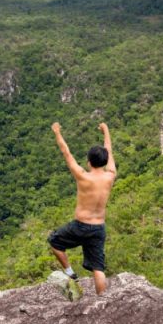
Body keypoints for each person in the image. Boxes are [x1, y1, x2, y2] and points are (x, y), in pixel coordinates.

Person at [48, 122, 116, 296]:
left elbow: (66, 152)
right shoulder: (110, 176)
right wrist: (106, 130)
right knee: (98, 268)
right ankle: (102, 300)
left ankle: (70, 272)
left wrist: (57, 132)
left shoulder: (82, 177)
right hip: (99, 228)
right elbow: (109, 150)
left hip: (80, 226)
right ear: (105, 161)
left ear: (88, 161)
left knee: (55, 242)